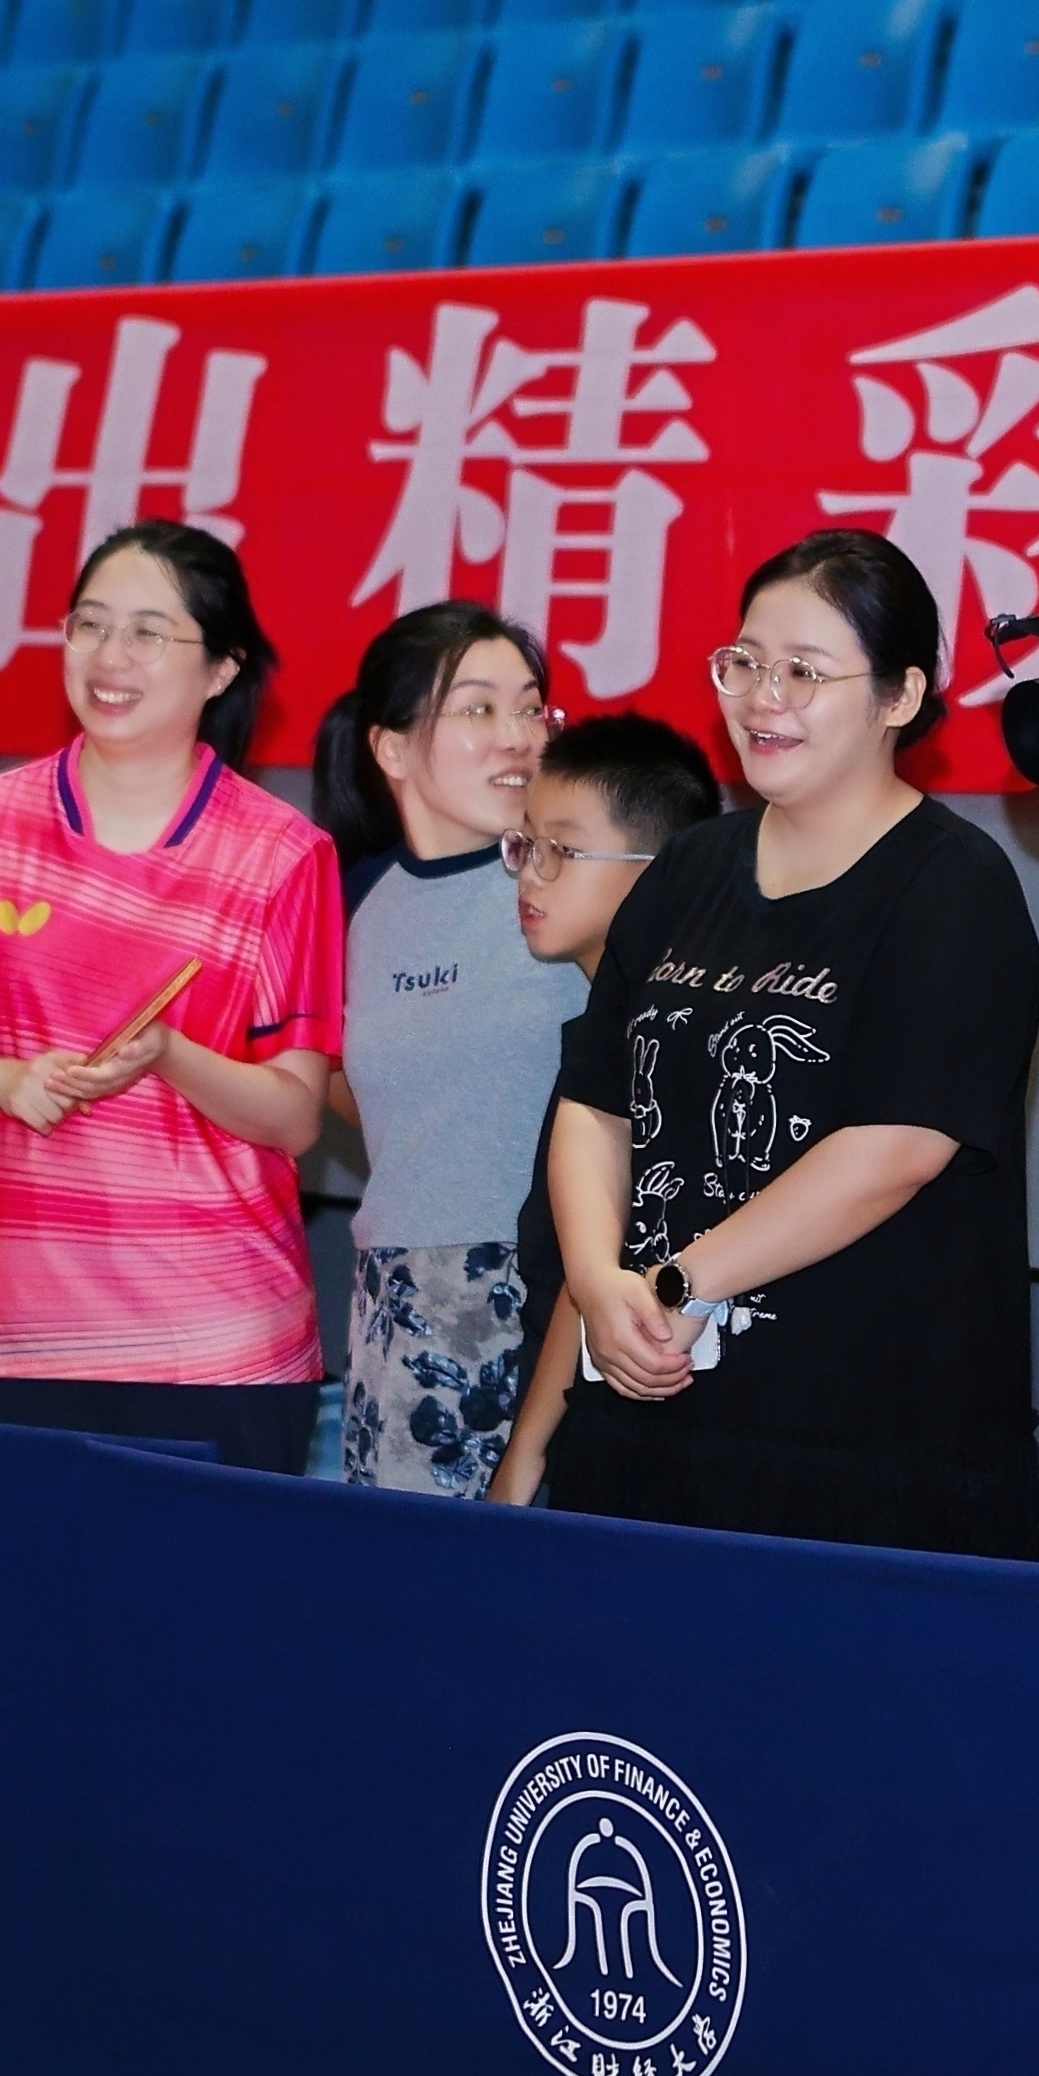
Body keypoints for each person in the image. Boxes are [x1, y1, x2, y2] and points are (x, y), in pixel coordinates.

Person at [544, 530, 1039, 1556]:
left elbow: (896, 1148)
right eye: (745, 663)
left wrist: (681, 1281)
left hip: (866, 1449)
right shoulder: (686, 869)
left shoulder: (954, 887)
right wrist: (598, 1280)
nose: (762, 697)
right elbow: (595, 1102)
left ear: (900, 696)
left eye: (805, 673)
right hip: (649, 1408)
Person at [0, 522, 340, 1473]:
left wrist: (172, 1056)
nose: (110, 657)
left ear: (222, 668)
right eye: (90, 625)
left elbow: (294, 1116)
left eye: (149, 633)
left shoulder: (283, 852)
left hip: (217, 1341)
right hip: (15, 1333)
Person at [313, 602, 576, 1495]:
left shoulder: (572, 884)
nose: (517, 735)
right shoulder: (363, 907)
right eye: (478, 708)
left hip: (544, 1295)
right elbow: (378, 1091)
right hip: (396, 1301)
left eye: (531, 707)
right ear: (391, 748)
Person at [484, 713, 722, 1507]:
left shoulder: (665, 1036)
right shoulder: (602, 1024)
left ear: (663, 869)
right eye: (525, 843)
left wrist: (523, 1458)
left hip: (626, 1429)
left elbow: (593, 1275)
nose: (529, 873)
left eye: (561, 850)